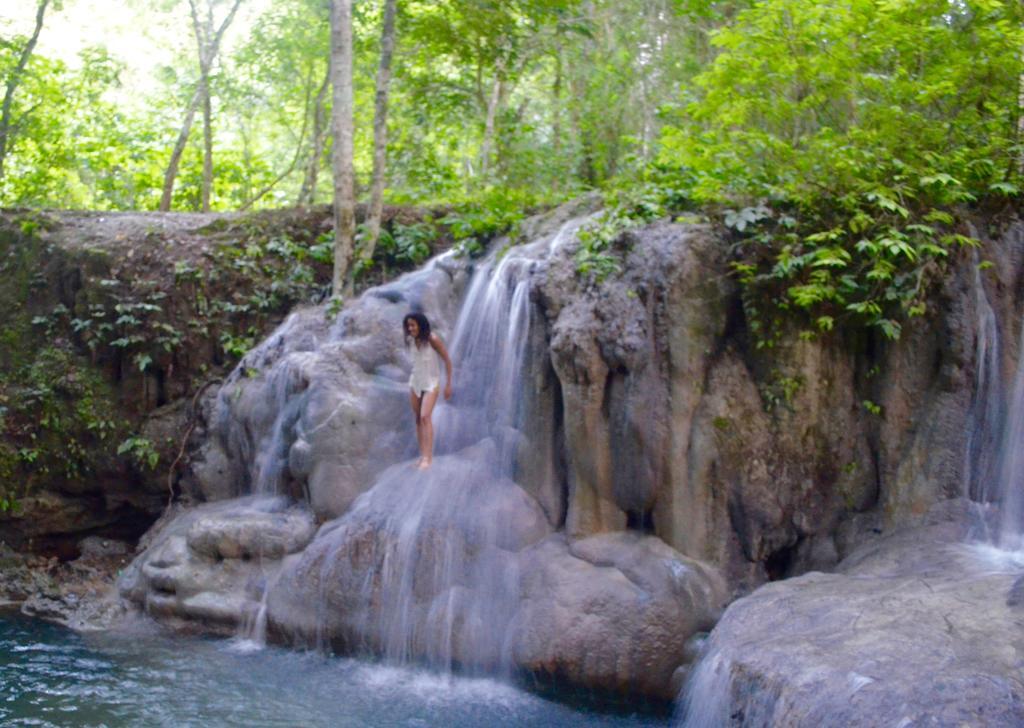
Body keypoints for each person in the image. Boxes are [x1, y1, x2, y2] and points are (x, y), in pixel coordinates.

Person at [403, 312, 453, 469]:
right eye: (408, 325)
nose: (410, 328)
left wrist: (448, 384)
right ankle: (422, 456)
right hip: (415, 382)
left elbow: (447, 360)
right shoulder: (410, 340)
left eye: (413, 325)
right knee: (418, 418)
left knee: (425, 417)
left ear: (421, 324)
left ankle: (428, 458)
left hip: (431, 383)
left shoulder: (432, 339)